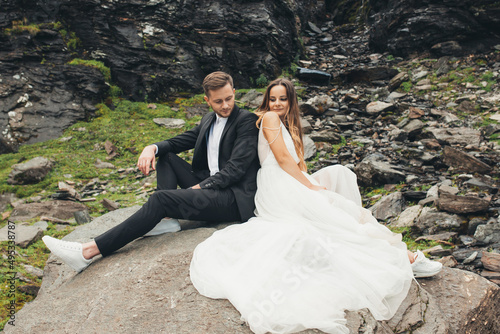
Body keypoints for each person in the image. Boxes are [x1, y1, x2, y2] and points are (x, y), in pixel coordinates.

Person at [189, 78, 442, 334]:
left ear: (291, 101)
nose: (277, 104)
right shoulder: (269, 119)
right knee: (337, 221)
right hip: (279, 185)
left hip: (285, 180)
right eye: (273, 99)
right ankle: (404, 259)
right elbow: (283, 160)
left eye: (283, 99)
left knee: (340, 186)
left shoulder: (284, 122)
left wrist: (310, 181)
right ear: (267, 100)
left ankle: (402, 256)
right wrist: (309, 187)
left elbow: (294, 163)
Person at [42, 71, 260, 273]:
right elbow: (179, 142)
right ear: (207, 101)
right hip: (208, 187)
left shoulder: (246, 121)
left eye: (229, 98)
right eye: (218, 101)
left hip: (231, 199)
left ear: (233, 92)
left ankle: (87, 252)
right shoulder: (209, 120)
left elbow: (235, 169)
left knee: (161, 199)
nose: (225, 105)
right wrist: (151, 148)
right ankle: (166, 221)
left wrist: (200, 187)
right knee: (165, 156)